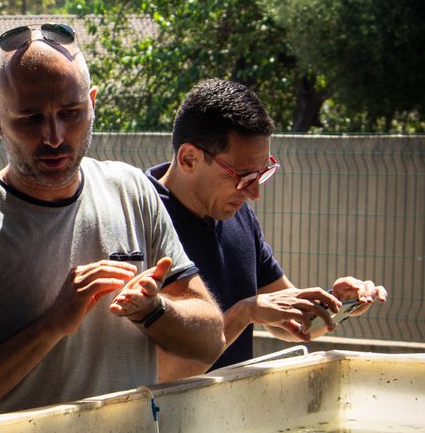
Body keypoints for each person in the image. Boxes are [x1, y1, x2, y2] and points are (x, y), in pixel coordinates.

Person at [0, 23, 224, 427]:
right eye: (29, 119)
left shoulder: (133, 192)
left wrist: (153, 310)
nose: (54, 137)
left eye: (70, 114)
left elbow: (210, 339)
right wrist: (52, 325)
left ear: (92, 104)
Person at [145, 78, 387, 379]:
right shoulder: (139, 220)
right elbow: (159, 373)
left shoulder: (238, 215)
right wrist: (245, 312)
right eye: (244, 177)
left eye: (263, 173)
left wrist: (334, 303)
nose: (255, 194)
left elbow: (286, 321)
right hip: (162, 422)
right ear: (189, 159)